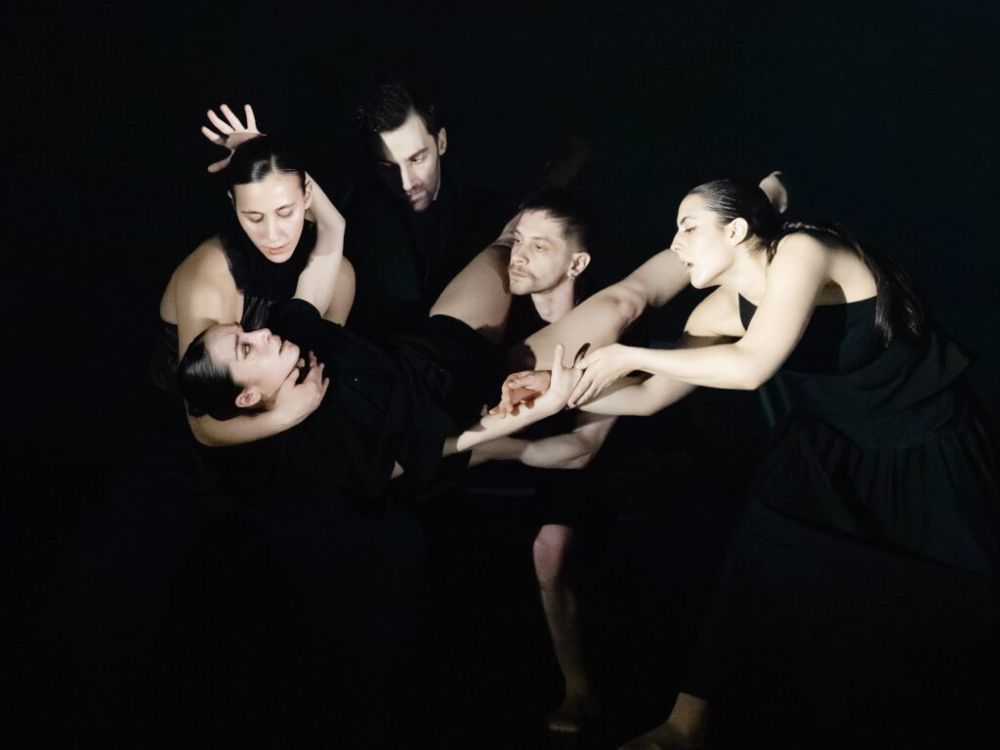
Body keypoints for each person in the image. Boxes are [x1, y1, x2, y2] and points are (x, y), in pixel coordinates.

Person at [500, 178, 999, 748]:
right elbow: (650, 396)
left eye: (689, 228)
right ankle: (684, 727)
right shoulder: (718, 311)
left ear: (736, 230)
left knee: (963, 596)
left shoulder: (802, 251)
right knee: (756, 556)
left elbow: (751, 366)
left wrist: (625, 353)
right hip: (830, 446)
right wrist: (559, 391)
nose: (676, 245)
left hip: (928, 439)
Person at [152, 104, 354, 447]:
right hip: (196, 431)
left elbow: (322, 367)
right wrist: (286, 415)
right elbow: (202, 425)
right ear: (234, 205)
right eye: (254, 217)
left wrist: (264, 150)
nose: (273, 236)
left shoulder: (339, 273)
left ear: (307, 196)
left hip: (285, 411)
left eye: (285, 212)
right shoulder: (210, 275)